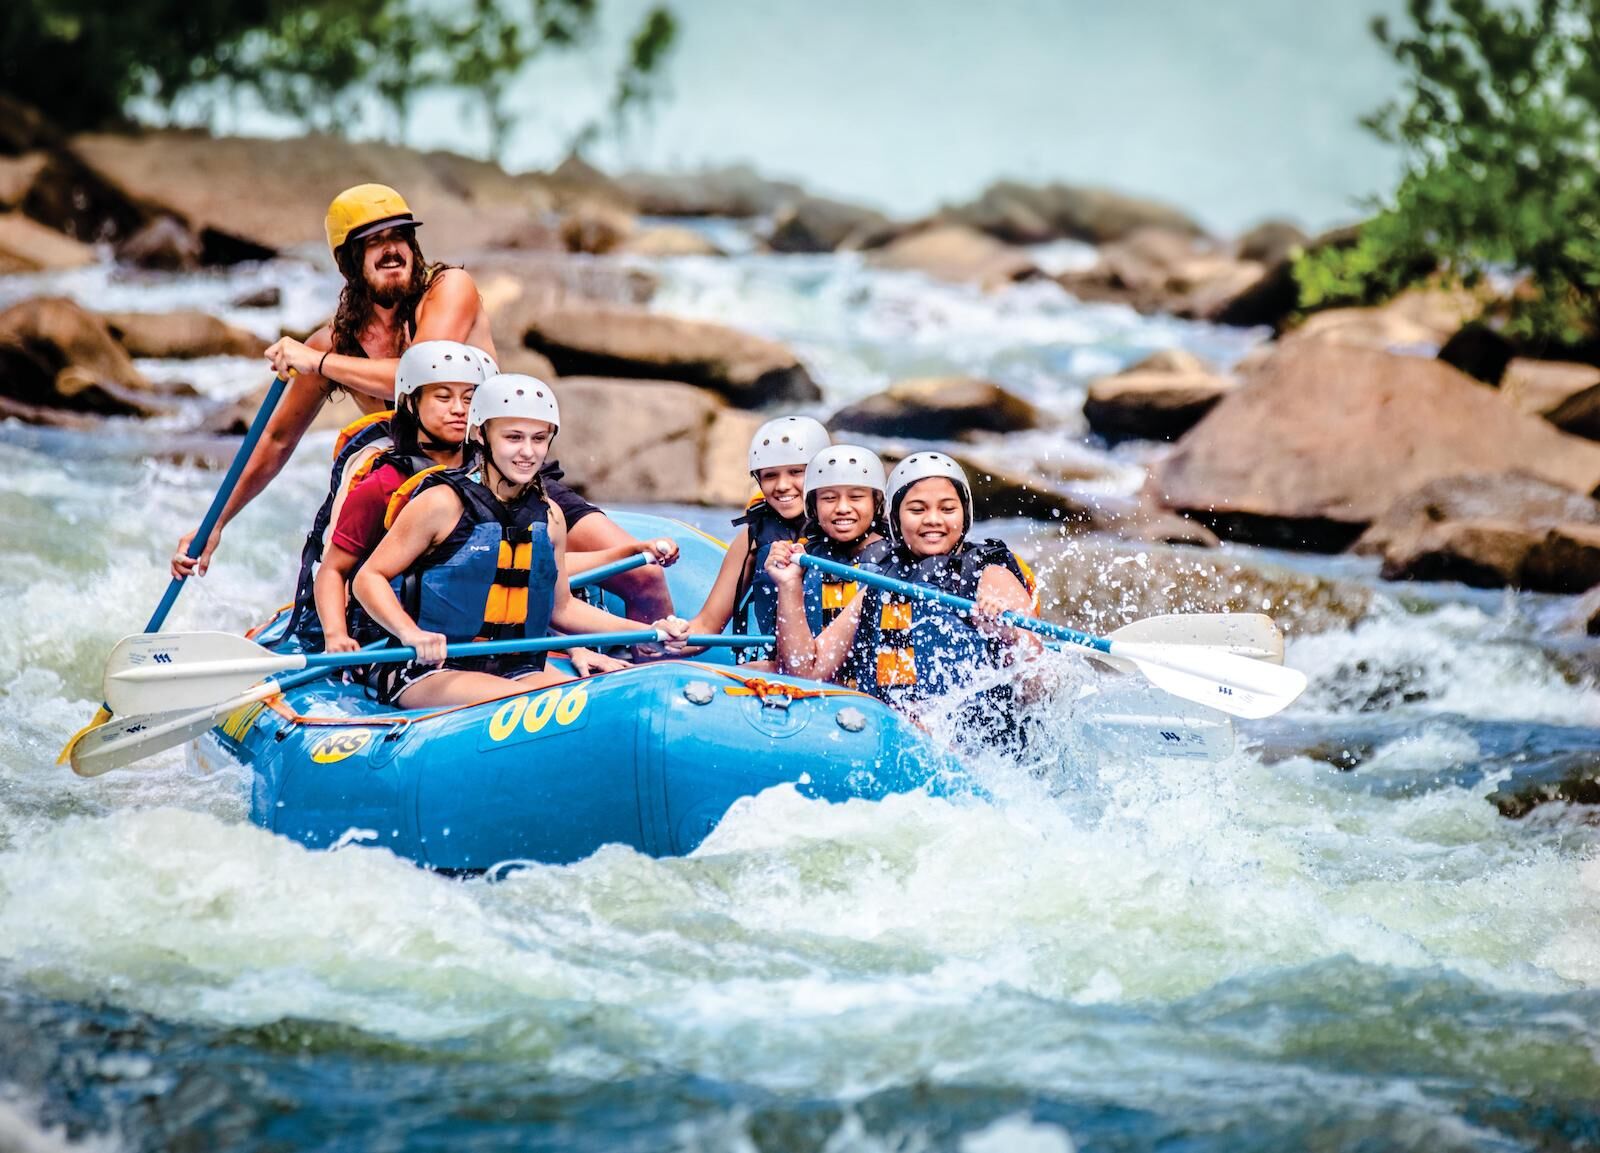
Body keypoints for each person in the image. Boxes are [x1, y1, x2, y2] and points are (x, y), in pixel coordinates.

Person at [173, 182, 676, 621]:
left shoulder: (448, 290)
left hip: (502, 476)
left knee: (645, 578)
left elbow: (417, 371)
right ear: (350, 262)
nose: (390, 250)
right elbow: (277, 440)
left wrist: (316, 363)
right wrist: (214, 524)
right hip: (417, 505)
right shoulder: (334, 343)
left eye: (398, 237)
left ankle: (657, 677)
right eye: (372, 242)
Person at [354, 374, 688, 708]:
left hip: (517, 669)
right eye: (513, 437)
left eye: (539, 439)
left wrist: (649, 633)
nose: (528, 452)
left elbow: (562, 608)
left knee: (599, 703)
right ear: (480, 434)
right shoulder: (441, 503)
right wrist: (411, 633)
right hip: (431, 670)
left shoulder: (551, 516)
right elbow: (369, 578)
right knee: (539, 704)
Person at [766, 452, 1040, 739]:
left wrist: (1008, 637)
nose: (933, 520)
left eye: (947, 509)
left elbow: (1040, 688)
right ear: (896, 518)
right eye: (917, 510)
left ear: (965, 515)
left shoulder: (989, 574)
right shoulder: (881, 580)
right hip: (890, 736)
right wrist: (789, 586)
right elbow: (805, 674)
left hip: (977, 749)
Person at [310, 340, 490, 654]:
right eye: (443, 397)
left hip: (477, 633)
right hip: (398, 640)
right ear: (410, 403)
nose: (459, 409)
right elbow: (333, 570)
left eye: (469, 398)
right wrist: (335, 635)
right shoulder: (382, 484)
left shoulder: (491, 475)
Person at [677, 416, 829, 665]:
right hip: (783, 666)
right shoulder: (753, 537)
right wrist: (663, 640)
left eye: (796, 472)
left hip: (843, 674)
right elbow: (706, 626)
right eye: (770, 476)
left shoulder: (850, 532)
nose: (782, 485)